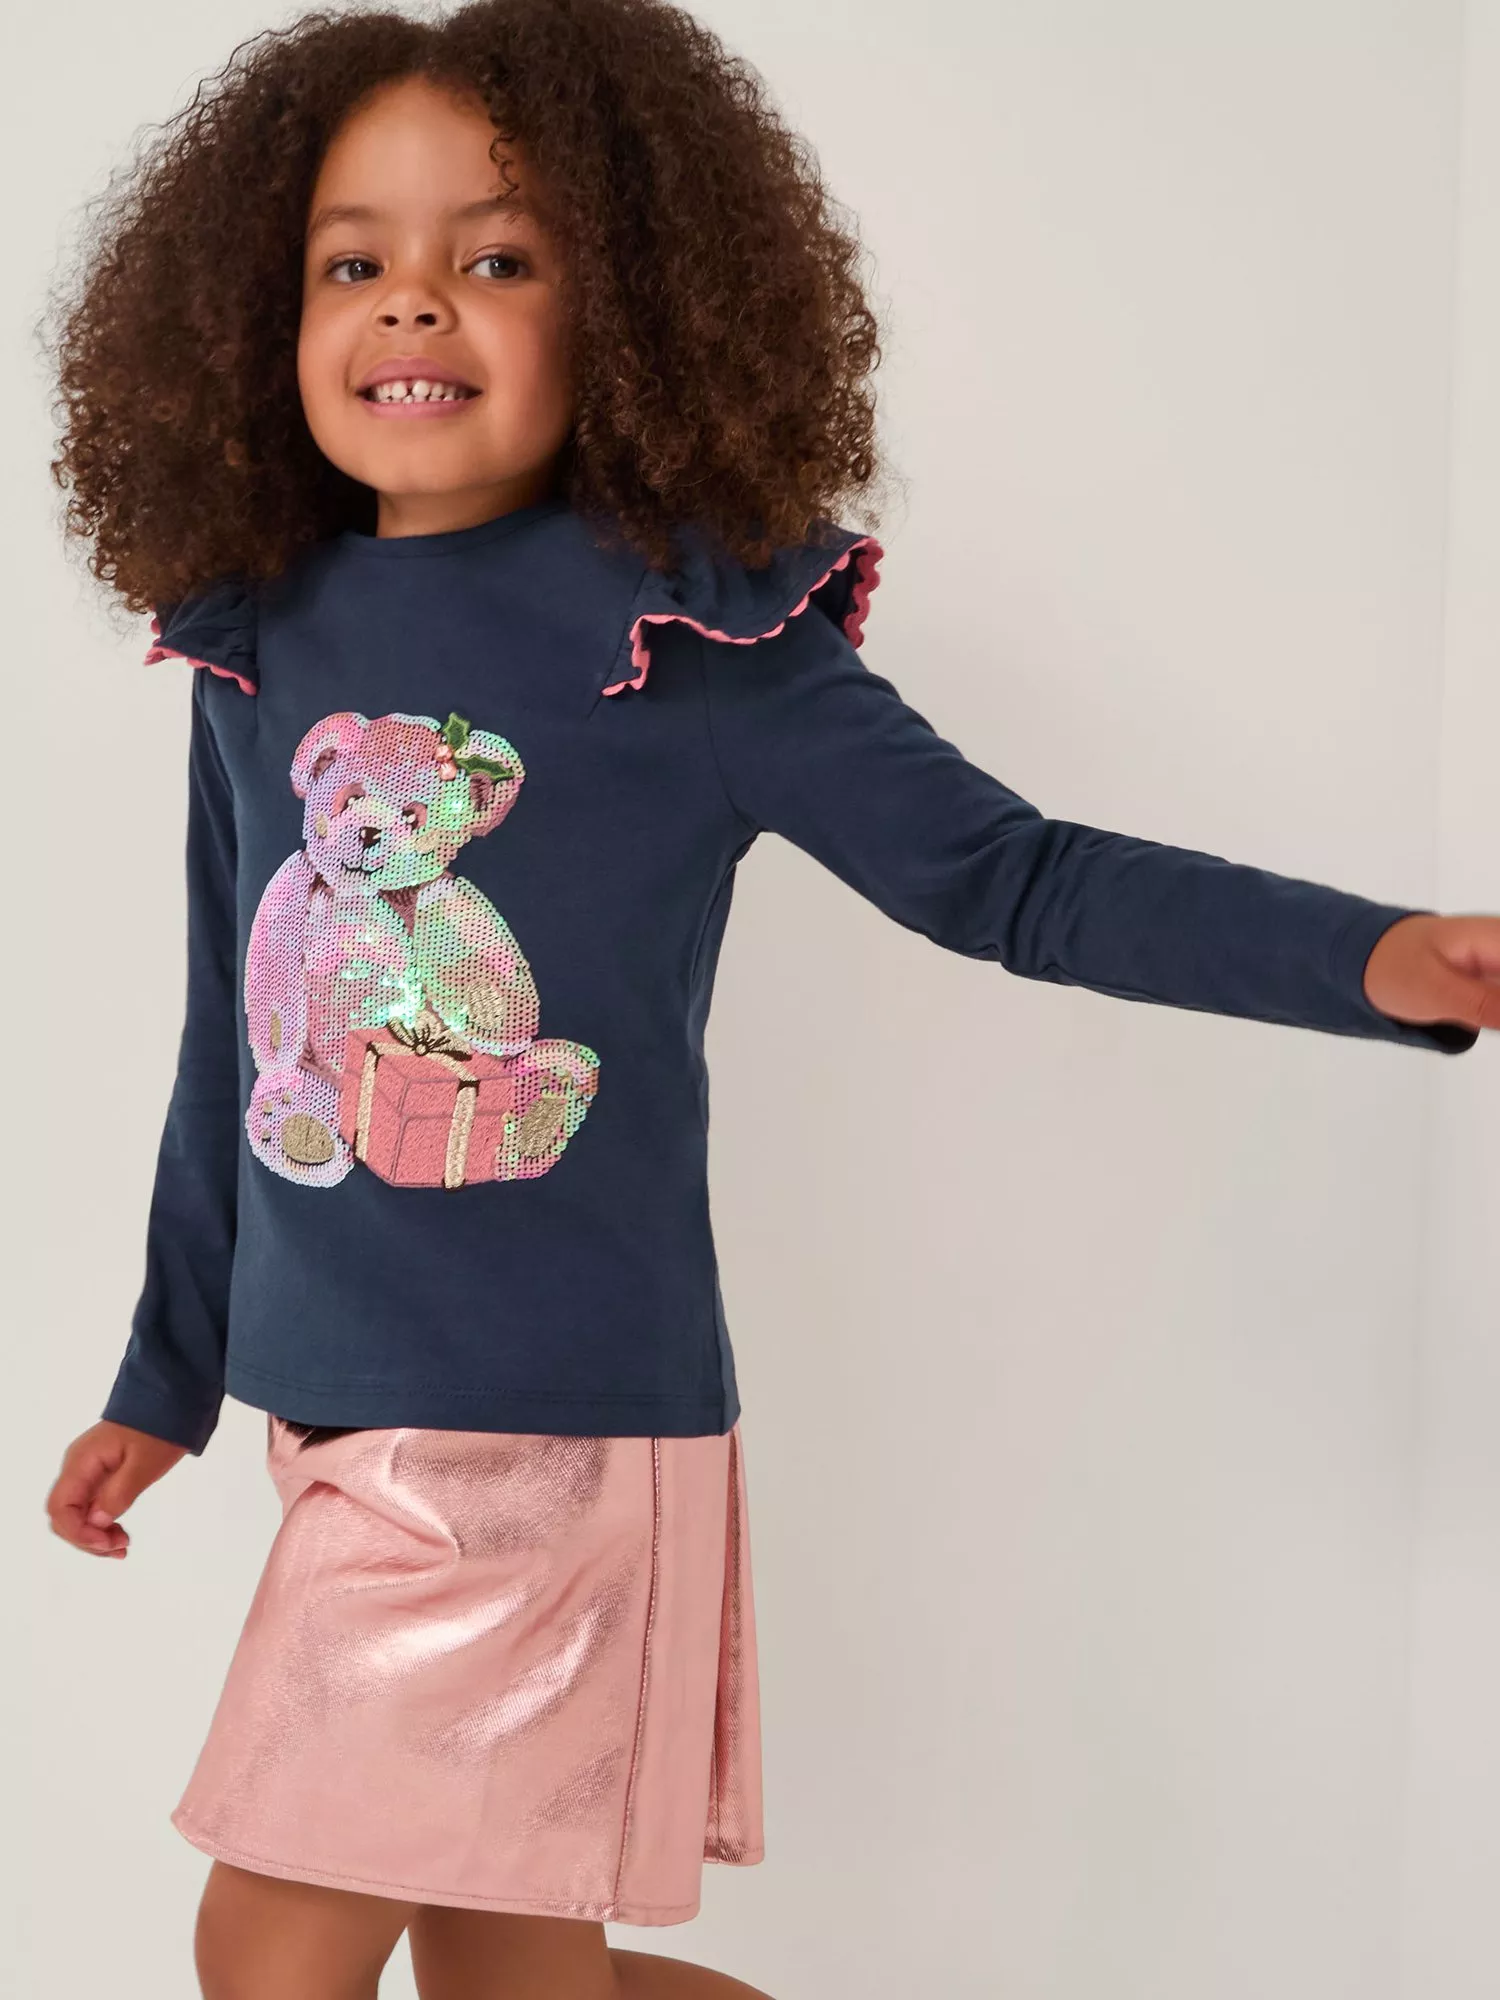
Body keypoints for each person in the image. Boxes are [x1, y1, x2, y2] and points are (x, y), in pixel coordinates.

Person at [37, 4, 1498, 1996]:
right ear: (253, 318)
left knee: (267, 1949)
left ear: (632, 308)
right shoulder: (255, 648)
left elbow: (1012, 877)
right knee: (510, 1985)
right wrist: (166, 1374)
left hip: (552, 1449)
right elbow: (237, 1039)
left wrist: (1374, 959)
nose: (415, 304)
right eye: (352, 260)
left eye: (499, 257)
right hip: (336, 1418)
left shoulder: (694, 639)